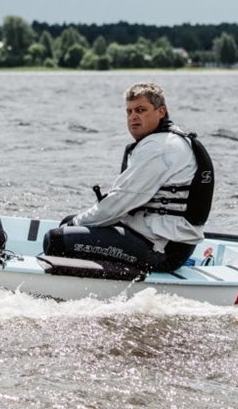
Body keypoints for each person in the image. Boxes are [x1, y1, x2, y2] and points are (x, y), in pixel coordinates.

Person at [45, 82, 214, 273]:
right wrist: (75, 221)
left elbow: (120, 202)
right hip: (156, 238)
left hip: (163, 251)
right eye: (129, 111)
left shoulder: (160, 147)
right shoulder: (165, 140)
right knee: (69, 223)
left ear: (161, 111)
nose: (133, 116)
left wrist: (76, 222)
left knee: (56, 240)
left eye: (141, 110)